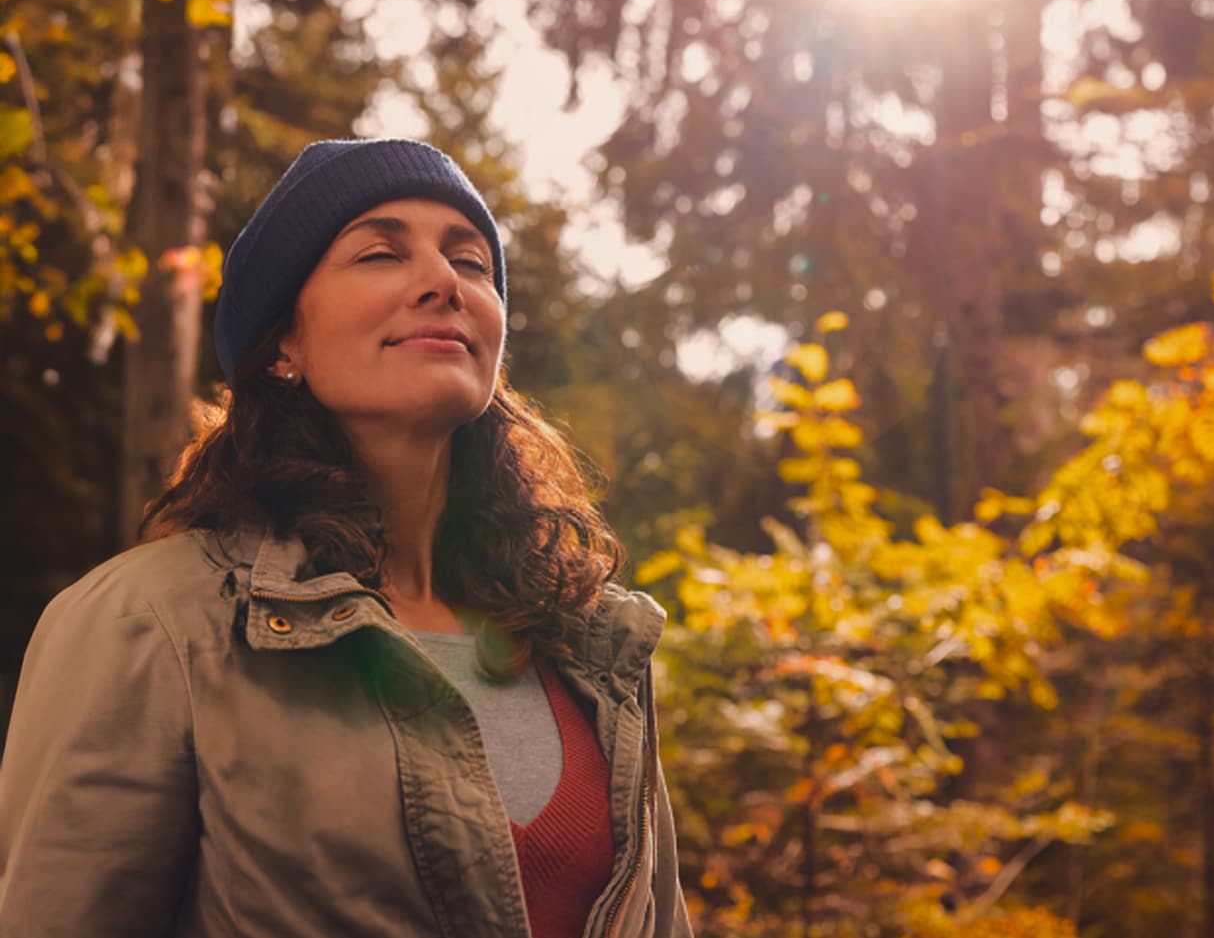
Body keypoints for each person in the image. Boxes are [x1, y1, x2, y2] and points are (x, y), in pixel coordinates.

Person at [0, 137, 694, 936]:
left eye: (470, 262)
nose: (443, 281)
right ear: (283, 343)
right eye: (379, 254)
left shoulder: (589, 637)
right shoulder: (150, 624)